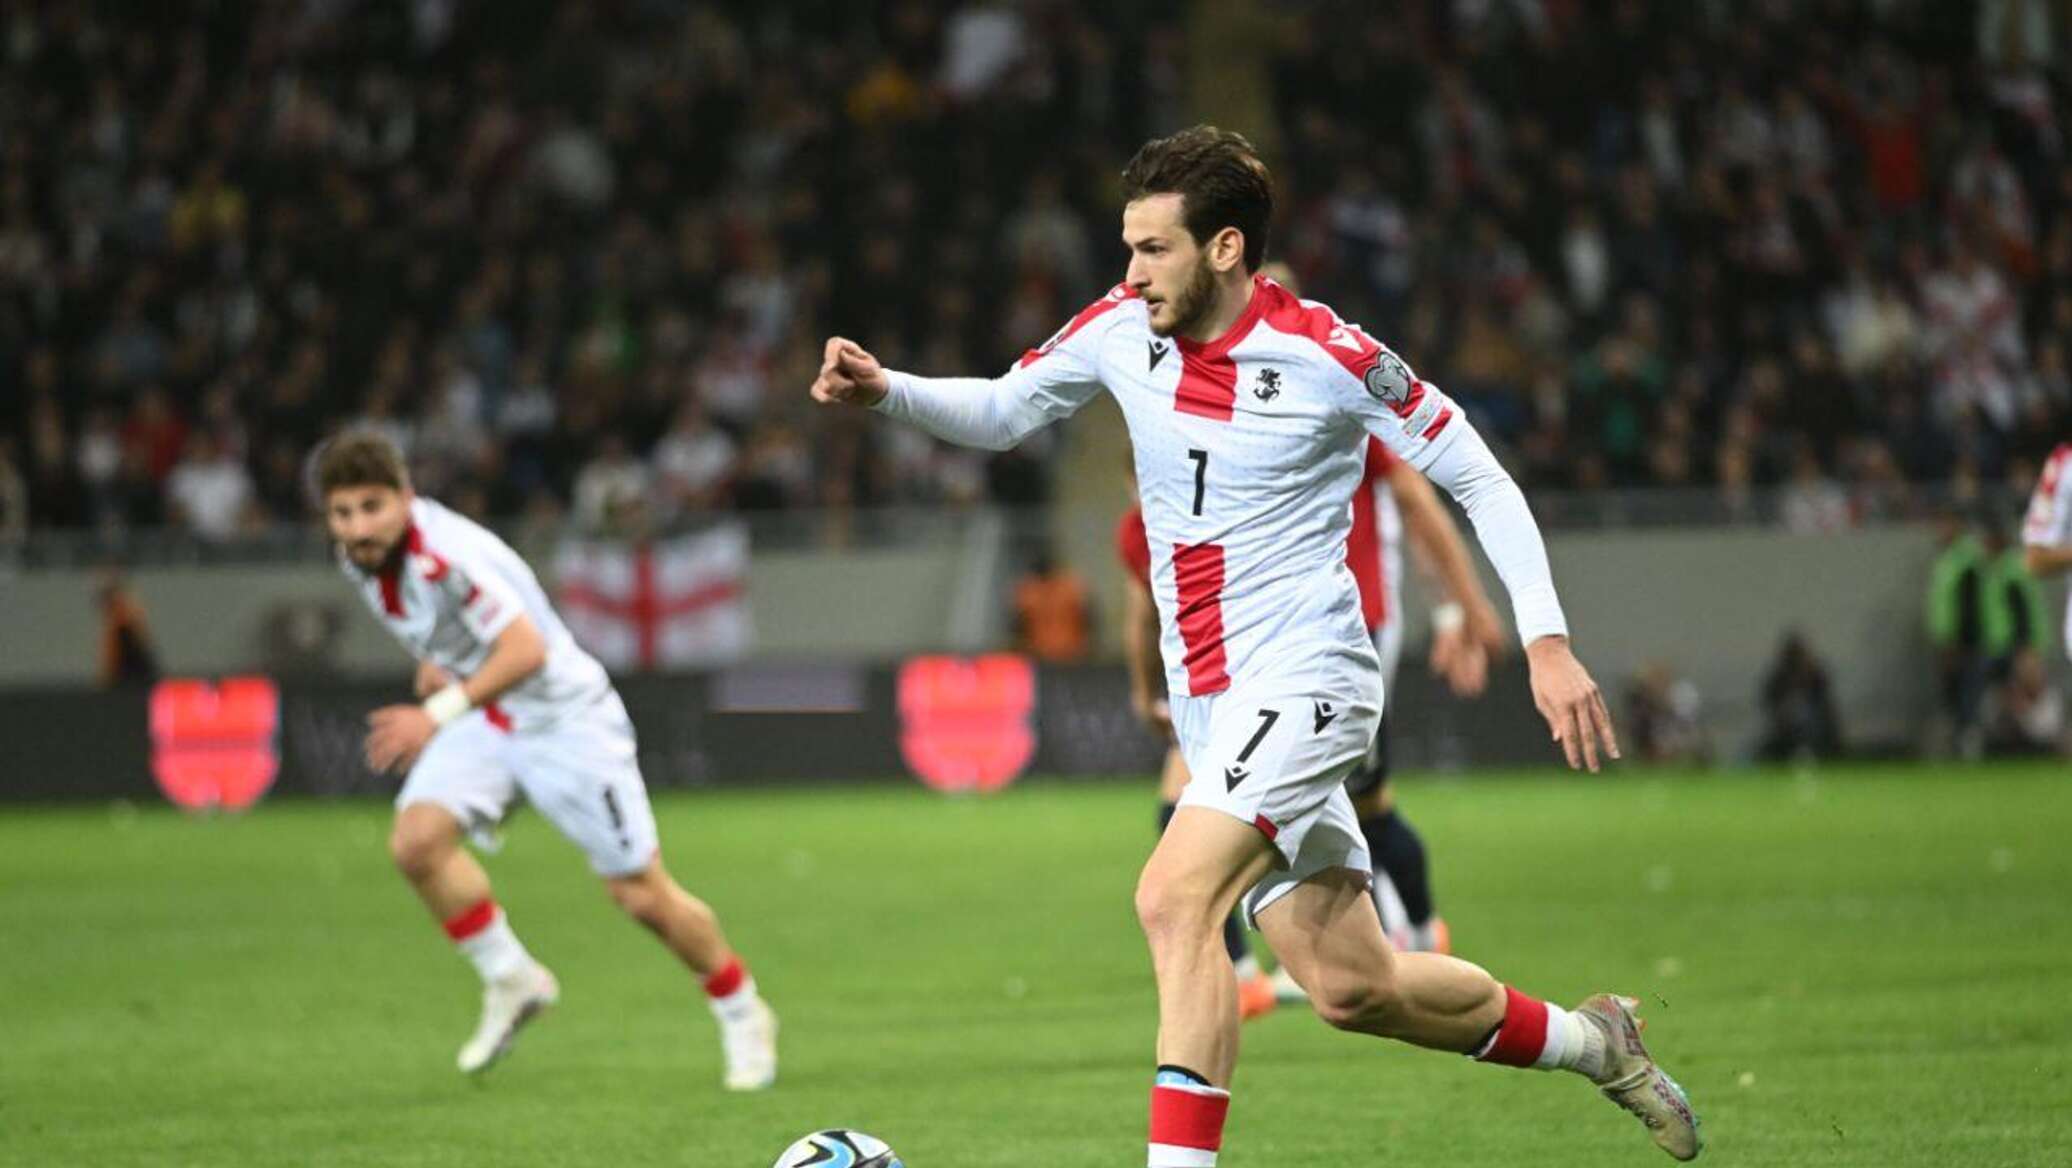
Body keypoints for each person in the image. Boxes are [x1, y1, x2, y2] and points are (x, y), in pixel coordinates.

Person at [811, 127, 1698, 1165]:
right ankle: (1597, 1042)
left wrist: (1544, 640)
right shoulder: (1117, 327)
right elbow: (1005, 409)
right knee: (1353, 986)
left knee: (1171, 896)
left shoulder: (1329, 354)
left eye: (1154, 249)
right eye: (1129, 247)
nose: (1131, 272)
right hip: (1213, 704)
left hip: (1309, 678)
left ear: (1224, 248)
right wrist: (888, 390)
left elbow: (1476, 475)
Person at [310, 430, 777, 1086]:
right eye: (342, 513)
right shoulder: (361, 558)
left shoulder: (445, 557)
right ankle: (511, 977)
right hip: (491, 715)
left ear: (406, 498)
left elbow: (525, 649)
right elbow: (449, 631)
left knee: (640, 895)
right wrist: (439, 664)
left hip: (565, 724)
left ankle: (740, 1007)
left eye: (371, 507)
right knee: (417, 844)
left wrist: (436, 713)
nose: (358, 527)